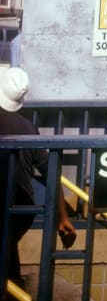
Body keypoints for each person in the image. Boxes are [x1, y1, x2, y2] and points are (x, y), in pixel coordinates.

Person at [0, 67, 76, 292]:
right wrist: (62, 218)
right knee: (7, 255)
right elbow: (50, 171)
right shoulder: (27, 128)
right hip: (20, 210)